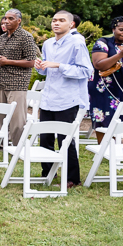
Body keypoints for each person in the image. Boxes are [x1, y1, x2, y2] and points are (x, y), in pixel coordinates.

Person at [35, 11, 92, 187]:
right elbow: (46, 70)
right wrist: (40, 67)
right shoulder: (48, 43)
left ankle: (71, 178)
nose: (56, 23)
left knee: (65, 139)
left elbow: (86, 71)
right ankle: (48, 174)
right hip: (49, 97)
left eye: (61, 20)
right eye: (54, 20)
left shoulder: (77, 43)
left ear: (71, 24)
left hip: (68, 98)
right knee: (45, 138)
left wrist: (59, 65)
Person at [0, 9, 39, 146]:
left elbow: (31, 62)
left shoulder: (26, 37)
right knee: (0, 116)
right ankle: (2, 145)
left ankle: (19, 147)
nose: (6, 21)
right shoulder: (2, 38)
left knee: (17, 119)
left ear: (19, 20)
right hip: (1, 82)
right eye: (5, 18)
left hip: (17, 83)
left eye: (10, 18)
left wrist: (9, 62)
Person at [88, 16, 123, 143]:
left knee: (121, 118)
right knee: (103, 117)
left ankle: (116, 147)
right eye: (121, 29)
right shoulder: (103, 42)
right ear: (114, 29)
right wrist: (120, 55)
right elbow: (98, 64)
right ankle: (104, 149)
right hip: (103, 87)